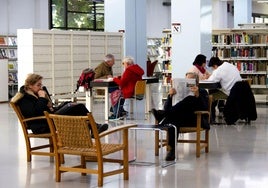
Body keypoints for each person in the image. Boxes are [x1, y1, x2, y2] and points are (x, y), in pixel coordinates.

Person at [11, 73, 108, 134]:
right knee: (78, 107)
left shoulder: (34, 93)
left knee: (73, 105)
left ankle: (92, 129)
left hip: (49, 118)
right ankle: (94, 128)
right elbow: (36, 113)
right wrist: (42, 98)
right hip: (44, 124)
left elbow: (46, 108)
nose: (41, 87)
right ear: (30, 86)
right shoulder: (24, 98)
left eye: (41, 84)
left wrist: (49, 105)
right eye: (38, 85)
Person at [152, 72, 209, 161]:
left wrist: (197, 95)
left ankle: (162, 114)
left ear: (196, 83)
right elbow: (167, 107)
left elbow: (205, 109)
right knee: (173, 122)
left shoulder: (202, 91)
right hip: (179, 118)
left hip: (193, 119)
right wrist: (170, 96)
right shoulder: (177, 91)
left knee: (189, 98)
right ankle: (172, 151)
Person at [206, 56, 242, 123]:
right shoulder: (230, 65)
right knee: (216, 91)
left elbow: (210, 81)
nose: (213, 69)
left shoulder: (218, 70)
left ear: (215, 65)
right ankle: (220, 110)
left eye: (212, 68)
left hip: (229, 93)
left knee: (211, 96)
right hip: (239, 90)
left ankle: (211, 118)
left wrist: (209, 76)